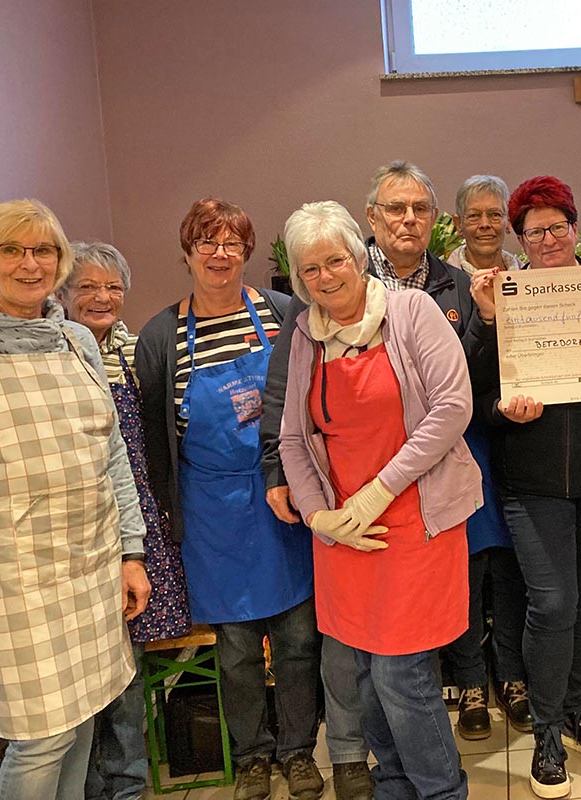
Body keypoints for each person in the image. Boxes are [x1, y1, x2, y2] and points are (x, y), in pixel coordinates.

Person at [257, 161, 501, 798]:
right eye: (309, 269)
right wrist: (320, 516)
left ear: (356, 254)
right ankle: (394, 783)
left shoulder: (413, 311)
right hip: (344, 531)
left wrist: (376, 492)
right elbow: (291, 435)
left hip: (413, 518)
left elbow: (452, 409)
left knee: (400, 675)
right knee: (362, 674)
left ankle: (442, 789)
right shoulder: (307, 333)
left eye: (334, 260)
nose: (325, 277)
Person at [0, 199, 149, 798]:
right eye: (10, 249)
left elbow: (111, 453)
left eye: (43, 250)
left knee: (82, 717)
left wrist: (130, 553)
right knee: (39, 740)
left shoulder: (76, 342)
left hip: (88, 568)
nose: (29, 264)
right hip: (5, 587)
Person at [137, 198, 321, 800]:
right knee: (237, 650)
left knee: (297, 640)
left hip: (284, 497)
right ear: (187, 253)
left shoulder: (283, 314)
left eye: (232, 244)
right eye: (206, 243)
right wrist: (168, 520)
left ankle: (297, 751)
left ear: (246, 251)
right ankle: (251, 758)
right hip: (212, 512)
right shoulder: (162, 335)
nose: (220, 255)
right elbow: (155, 439)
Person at [472, 176, 581, 799]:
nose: (547, 239)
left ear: (575, 229)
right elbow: (473, 398)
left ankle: (577, 710)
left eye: (557, 226)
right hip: (533, 482)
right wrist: (501, 400)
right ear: (519, 238)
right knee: (553, 604)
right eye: (533, 230)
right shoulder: (500, 299)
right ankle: (545, 730)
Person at [56, 242, 192, 800]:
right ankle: (89, 785)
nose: (101, 297)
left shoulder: (137, 351)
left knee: (127, 662)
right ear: (63, 293)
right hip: (79, 528)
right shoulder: (53, 352)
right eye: (87, 286)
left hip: (137, 527)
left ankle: (127, 783)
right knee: (84, 669)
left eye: (112, 287)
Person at [441, 174, 533, 740]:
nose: (484, 224)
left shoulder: (530, 276)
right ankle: (472, 680)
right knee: (468, 571)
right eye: (473, 214)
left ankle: (515, 677)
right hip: (464, 438)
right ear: (457, 223)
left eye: (494, 215)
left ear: (508, 222)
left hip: (518, 437)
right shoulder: (445, 282)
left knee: (513, 568)